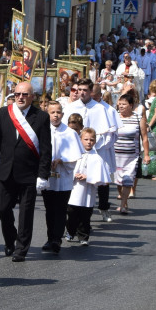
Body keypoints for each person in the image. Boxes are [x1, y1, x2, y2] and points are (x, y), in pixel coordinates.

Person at [0, 81, 51, 262]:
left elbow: (46, 149)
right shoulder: (5, 113)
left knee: (26, 213)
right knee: (1, 207)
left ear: (33, 97)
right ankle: (10, 238)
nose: (20, 97)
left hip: (29, 174)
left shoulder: (42, 117)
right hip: (6, 171)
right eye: (17, 94)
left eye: (24, 94)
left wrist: (43, 175)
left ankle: (21, 249)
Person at [64, 79, 119, 222]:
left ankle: (103, 207)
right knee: (75, 182)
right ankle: (74, 216)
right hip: (75, 151)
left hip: (96, 149)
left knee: (100, 180)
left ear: (90, 91)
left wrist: (93, 145)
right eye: (79, 90)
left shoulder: (100, 108)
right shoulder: (71, 107)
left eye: (85, 90)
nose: (81, 93)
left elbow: (108, 132)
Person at [43, 101, 84, 253]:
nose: (56, 115)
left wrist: (62, 160)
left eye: (58, 112)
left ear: (62, 114)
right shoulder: (43, 130)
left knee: (60, 209)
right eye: (52, 112)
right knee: (49, 209)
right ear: (48, 114)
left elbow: (75, 155)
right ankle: (49, 237)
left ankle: (56, 239)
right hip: (48, 177)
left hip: (63, 177)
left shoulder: (70, 133)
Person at [65, 128, 111, 246]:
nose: (89, 142)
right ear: (80, 140)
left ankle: (83, 236)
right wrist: (74, 174)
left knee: (85, 215)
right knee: (72, 212)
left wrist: (88, 176)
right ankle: (70, 232)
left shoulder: (97, 158)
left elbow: (101, 177)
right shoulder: (75, 154)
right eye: (86, 139)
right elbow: (68, 169)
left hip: (88, 191)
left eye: (91, 140)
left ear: (95, 141)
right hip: (75, 189)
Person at [113, 92, 149, 214]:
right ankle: (125, 201)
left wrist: (146, 154)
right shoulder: (115, 116)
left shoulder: (138, 117)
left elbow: (144, 137)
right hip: (116, 154)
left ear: (131, 105)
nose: (121, 106)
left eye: (124, 104)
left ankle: (123, 205)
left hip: (131, 155)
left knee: (128, 179)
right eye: (120, 104)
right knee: (118, 180)